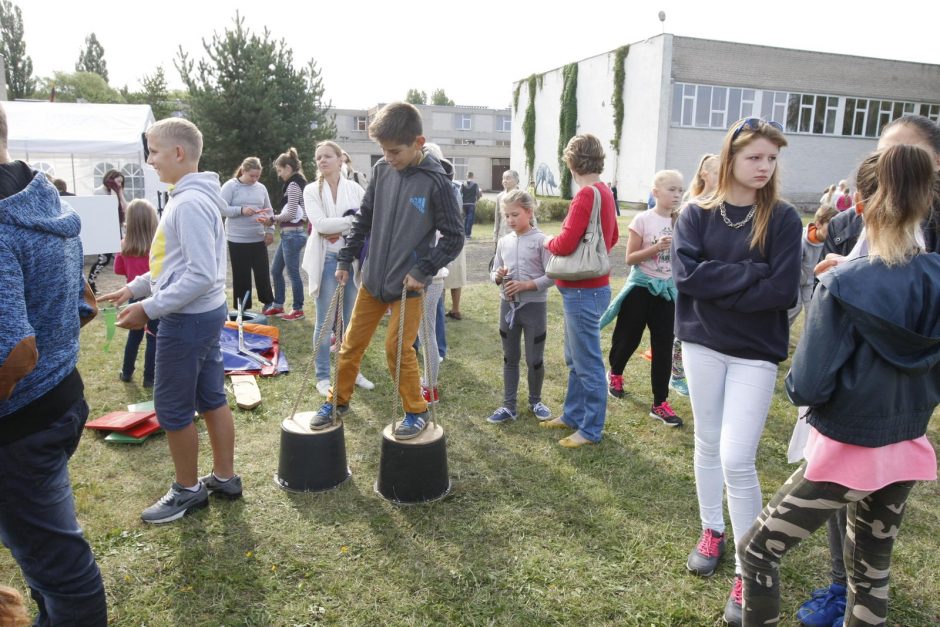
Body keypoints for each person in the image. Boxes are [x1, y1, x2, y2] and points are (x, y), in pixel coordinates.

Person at [739, 144, 940, 627]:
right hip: (906, 442)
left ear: (863, 204)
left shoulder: (842, 284)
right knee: (870, 571)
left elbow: (806, 385)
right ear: (925, 202)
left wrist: (832, 290)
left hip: (847, 447)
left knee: (756, 552)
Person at [672, 117, 801, 626]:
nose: (765, 167)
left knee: (736, 456)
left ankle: (751, 568)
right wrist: (751, 272)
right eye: (756, 157)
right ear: (730, 158)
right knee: (706, 444)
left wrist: (718, 281)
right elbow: (686, 275)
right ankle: (712, 529)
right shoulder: (696, 214)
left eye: (772, 158)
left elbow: (783, 291)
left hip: (755, 352)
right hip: (703, 344)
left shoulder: (784, 219)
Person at [99, 118, 241, 523]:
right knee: (211, 397)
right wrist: (136, 288)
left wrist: (150, 307)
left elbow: (198, 275)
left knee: (174, 410)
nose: (149, 160)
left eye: (154, 151)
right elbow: (173, 264)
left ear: (179, 153)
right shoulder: (189, 197)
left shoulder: (191, 203)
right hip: (203, 315)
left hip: (188, 321)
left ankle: (188, 491)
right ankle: (225, 478)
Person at [0, 102, 107, 624]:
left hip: (20, 424)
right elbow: (84, 303)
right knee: (39, 548)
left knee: (60, 566)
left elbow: (15, 350)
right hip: (61, 398)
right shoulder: (41, 198)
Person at [310, 102, 463, 440]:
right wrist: (346, 258)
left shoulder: (435, 182)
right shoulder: (381, 170)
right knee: (350, 344)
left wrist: (423, 270)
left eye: (395, 150)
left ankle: (415, 411)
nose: (388, 156)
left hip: (409, 285)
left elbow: (455, 237)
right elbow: (364, 217)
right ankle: (337, 401)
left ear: (418, 142)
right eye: (383, 150)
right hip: (373, 280)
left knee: (397, 348)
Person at [539, 134, 619, 448]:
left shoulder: (585, 195)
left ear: (572, 163)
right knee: (575, 358)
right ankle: (573, 415)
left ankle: (590, 428)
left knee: (586, 362)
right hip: (590, 289)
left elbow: (565, 243)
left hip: (584, 291)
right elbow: (610, 239)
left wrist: (547, 240)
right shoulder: (605, 191)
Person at [603, 170, 684, 427]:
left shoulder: (681, 222)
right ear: (656, 192)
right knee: (628, 338)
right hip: (640, 289)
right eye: (671, 189)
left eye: (680, 190)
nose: (677, 195)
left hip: (666, 293)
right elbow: (630, 259)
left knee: (663, 348)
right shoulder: (642, 220)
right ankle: (615, 374)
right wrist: (656, 247)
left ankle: (660, 402)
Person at [300, 140, 374, 397]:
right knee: (325, 321)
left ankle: (352, 371)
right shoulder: (310, 190)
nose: (322, 161)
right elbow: (319, 225)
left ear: (340, 159)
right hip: (326, 260)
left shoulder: (354, 188)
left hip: (351, 260)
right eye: (318, 157)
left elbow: (365, 220)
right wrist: (348, 222)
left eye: (327, 156)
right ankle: (322, 376)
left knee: (351, 322)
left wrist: (340, 227)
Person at [487, 189, 554, 424]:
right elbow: (494, 270)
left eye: (515, 214)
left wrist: (526, 285)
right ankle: (509, 406)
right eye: (506, 216)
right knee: (509, 357)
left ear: (529, 212)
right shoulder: (504, 241)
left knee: (535, 358)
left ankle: (535, 401)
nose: (510, 220)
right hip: (508, 308)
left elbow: (552, 276)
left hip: (534, 309)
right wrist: (498, 275)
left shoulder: (542, 241)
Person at [670, 153, 719, 397]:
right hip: (693, 274)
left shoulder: (723, 204)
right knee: (686, 323)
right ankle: (676, 373)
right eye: (718, 173)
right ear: (704, 174)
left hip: (710, 275)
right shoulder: (693, 205)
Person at [219, 156, 275, 311]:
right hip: (237, 239)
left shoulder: (261, 188)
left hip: (257, 237)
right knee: (241, 274)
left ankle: (268, 303)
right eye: (252, 176)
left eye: (257, 176)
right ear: (243, 171)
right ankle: (242, 306)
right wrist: (241, 210)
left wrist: (270, 230)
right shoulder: (231, 186)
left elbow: (269, 210)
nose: (254, 179)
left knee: (262, 272)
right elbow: (221, 208)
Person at [116, 199, 160, 388]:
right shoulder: (158, 245)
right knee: (153, 337)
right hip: (154, 297)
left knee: (134, 336)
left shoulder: (124, 245)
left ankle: (126, 372)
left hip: (133, 295)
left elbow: (119, 269)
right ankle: (149, 378)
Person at [261, 148, 308, 321]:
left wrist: (272, 218)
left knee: (293, 273)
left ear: (288, 168)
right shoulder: (296, 183)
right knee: (275, 270)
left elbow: (291, 214)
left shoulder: (294, 185)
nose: (280, 175)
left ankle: (298, 309)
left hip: (293, 234)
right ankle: (278, 305)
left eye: (280, 171)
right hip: (289, 234)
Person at [787, 203, 837, 326]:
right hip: (794, 281)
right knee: (794, 308)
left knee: (814, 310)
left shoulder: (831, 243)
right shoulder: (801, 240)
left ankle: (809, 339)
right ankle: (781, 333)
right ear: (818, 224)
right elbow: (791, 266)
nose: (833, 230)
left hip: (811, 282)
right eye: (830, 226)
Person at [87, 168, 128, 294]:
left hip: (117, 228)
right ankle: (90, 283)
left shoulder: (116, 191)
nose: (120, 184)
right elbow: (102, 210)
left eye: (122, 182)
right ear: (111, 178)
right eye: (118, 181)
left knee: (125, 256)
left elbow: (125, 208)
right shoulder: (100, 192)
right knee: (104, 259)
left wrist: (120, 192)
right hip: (104, 230)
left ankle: (130, 282)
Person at [493, 169, 538, 240]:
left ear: (516, 180)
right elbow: (497, 218)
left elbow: (531, 217)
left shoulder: (523, 195)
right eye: (503, 178)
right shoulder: (500, 196)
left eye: (508, 178)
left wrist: (535, 233)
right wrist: (495, 236)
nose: (504, 181)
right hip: (503, 235)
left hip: (521, 235)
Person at [460, 171, 482, 238]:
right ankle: (468, 234)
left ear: (467, 176)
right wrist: (476, 200)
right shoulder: (475, 184)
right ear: (472, 176)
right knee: (470, 219)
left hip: (464, 204)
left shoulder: (463, 184)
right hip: (471, 204)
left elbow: (460, 193)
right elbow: (478, 194)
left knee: (464, 219)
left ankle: (463, 233)